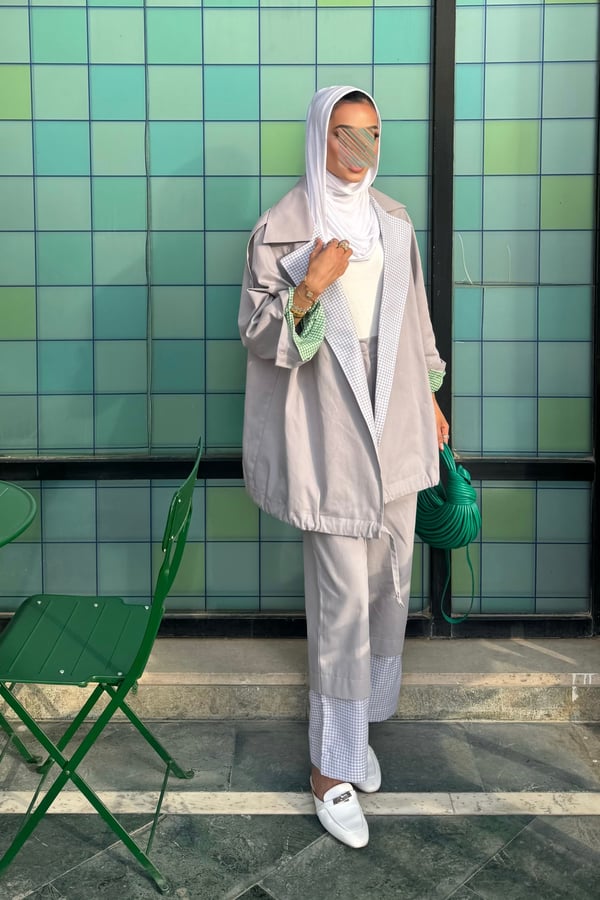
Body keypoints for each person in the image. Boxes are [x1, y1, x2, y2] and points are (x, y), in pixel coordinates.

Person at [238, 85, 449, 848]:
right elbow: (259, 334)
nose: (360, 151)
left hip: (396, 422)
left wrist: (430, 396)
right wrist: (312, 284)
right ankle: (329, 772)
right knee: (340, 603)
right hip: (328, 429)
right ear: (317, 138)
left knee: (390, 580)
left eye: (372, 135)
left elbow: (415, 318)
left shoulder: (393, 221)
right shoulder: (281, 230)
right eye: (344, 135)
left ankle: (357, 731)